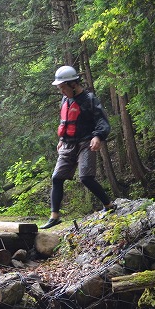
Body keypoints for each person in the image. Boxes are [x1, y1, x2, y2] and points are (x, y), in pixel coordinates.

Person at [40, 65, 115, 230]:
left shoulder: (89, 99)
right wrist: (61, 138)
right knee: (56, 178)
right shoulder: (65, 99)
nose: (61, 91)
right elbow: (65, 121)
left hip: (85, 143)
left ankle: (109, 205)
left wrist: (98, 136)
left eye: (62, 87)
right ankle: (54, 217)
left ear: (73, 84)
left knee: (86, 178)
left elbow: (102, 121)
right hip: (67, 144)